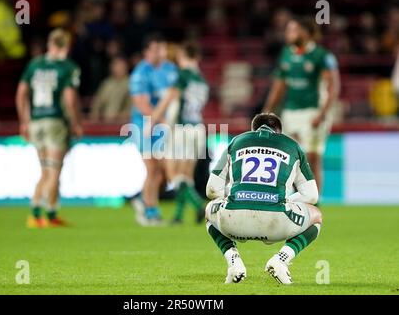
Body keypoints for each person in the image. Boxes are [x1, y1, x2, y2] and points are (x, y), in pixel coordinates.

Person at [205, 113, 322, 285]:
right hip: (277, 223)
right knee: (317, 216)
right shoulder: (292, 146)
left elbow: (212, 190)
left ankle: (233, 262)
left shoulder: (237, 142)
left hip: (233, 222)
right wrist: (285, 200)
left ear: (253, 130)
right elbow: (311, 196)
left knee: (209, 211)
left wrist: (237, 195)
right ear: (279, 132)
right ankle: (281, 260)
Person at [263, 17, 340, 193]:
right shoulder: (287, 54)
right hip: (290, 112)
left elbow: (333, 85)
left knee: (312, 159)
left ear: (305, 32)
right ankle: (291, 201)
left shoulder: (321, 55)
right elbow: (279, 86)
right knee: (289, 158)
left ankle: (314, 203)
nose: (288, 34)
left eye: (293, 30)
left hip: (313, 111)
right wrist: (267, 110)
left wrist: (323, 113)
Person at [16, 28, 83, 228]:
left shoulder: (35, 64)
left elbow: (21, 94)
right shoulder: (67, 67)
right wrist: (76, 122)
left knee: (46, 170)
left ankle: (45, 214)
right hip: (55, 122)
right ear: (67, 46)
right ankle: (43, 214)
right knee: (54, 171)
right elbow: (70, 99)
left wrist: (24, 121)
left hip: (36, 121)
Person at [150, 42, 209, 224]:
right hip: (198, 128)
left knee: (174, 174)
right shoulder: (202, 80)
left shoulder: (183, 75)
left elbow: (170, 99)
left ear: (182, 56)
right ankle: (178, 216)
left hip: (182, 128)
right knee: (186, 176)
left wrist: (153, 119)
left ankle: (199, 205)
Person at [128, 34, 178, 226]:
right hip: (144, 127)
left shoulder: (169, 69)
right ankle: (151, 211)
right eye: (155, 49)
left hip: (162, 126)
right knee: (152, 169)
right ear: (147, 51)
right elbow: (141, 102)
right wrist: (162, 120)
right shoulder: (140, 72)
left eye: (161, 48)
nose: (159, 53)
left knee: (160, 171)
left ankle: (143, 201)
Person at [89, 56, 131, 123]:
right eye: (116, 65)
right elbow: (97, 104)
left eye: (121, 66)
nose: (119, 68)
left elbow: (133, 108)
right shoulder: (107, 84)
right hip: (104, 125)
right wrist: (94, 118)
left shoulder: (132, 84)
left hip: (123, 125)